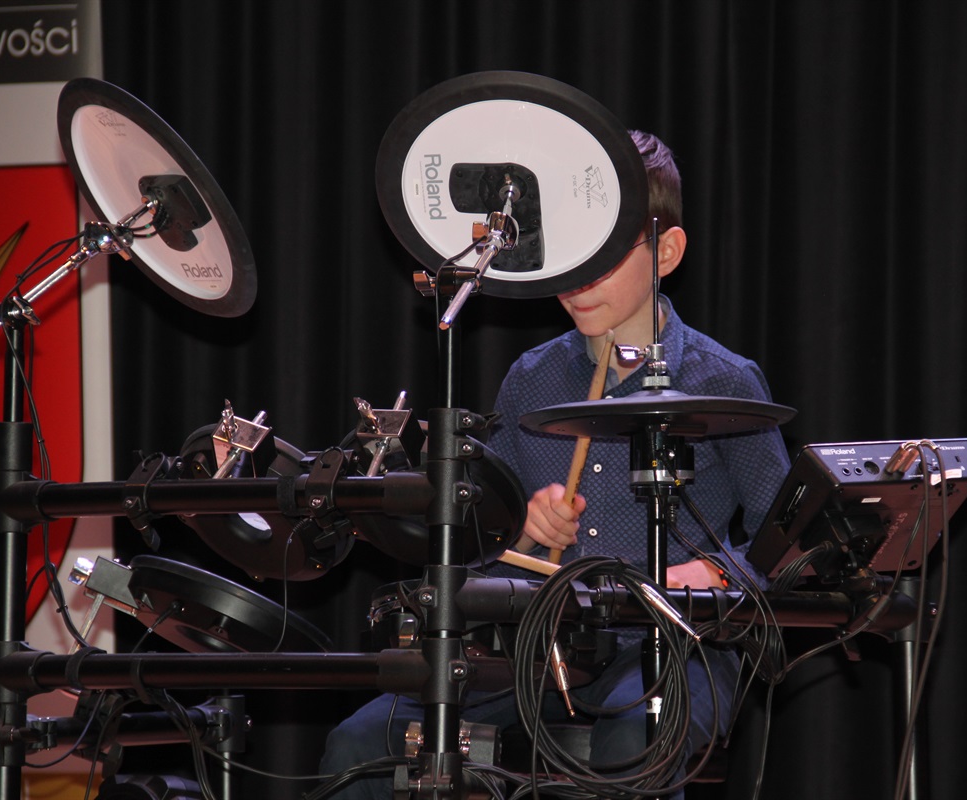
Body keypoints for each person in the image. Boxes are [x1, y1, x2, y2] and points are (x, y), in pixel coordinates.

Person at [320, 130, 791, 798]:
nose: (580, 279)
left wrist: (710, 573)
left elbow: (787, 539)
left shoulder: (724, 381)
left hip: (677, 643)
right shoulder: (531, 378)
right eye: (572, 253)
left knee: (632, 743)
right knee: (359, 743)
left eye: (606, 255)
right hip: (543, 643)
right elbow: (487, 543)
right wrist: (523, 528)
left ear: (666, 251)